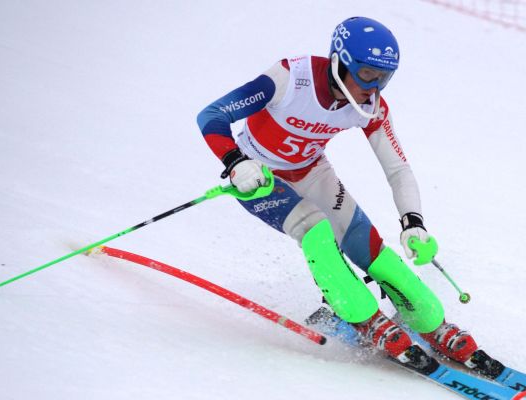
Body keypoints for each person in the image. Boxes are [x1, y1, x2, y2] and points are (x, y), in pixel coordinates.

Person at [196, 16, 479, 368]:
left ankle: (432, 323)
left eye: (384, 79)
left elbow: (398, 169)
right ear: (339, 61)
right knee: (316, 231)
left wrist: (413, 223)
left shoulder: (370, 107)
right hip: (259, 179)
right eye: (367, 75)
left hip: (312, 171)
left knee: (366, 241)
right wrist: (237, 162)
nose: (373, 89)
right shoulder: (290, 78)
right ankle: (362, 316)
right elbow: (212, 115)